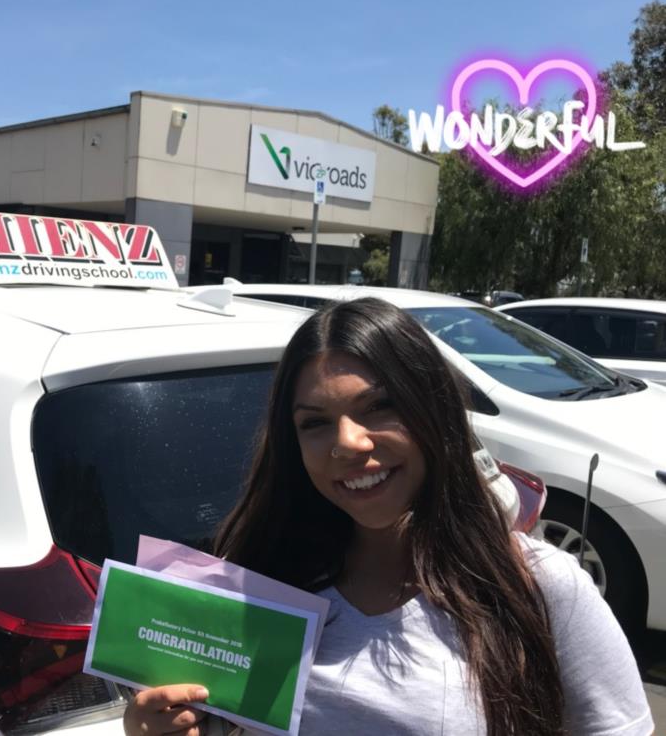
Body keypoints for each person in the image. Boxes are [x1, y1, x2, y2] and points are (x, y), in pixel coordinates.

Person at [123, 298, 652, 736]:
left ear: (434, 412)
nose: (348, 442)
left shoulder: (538, 587)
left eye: (378, 407)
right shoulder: (251, 587)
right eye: (315, 423)